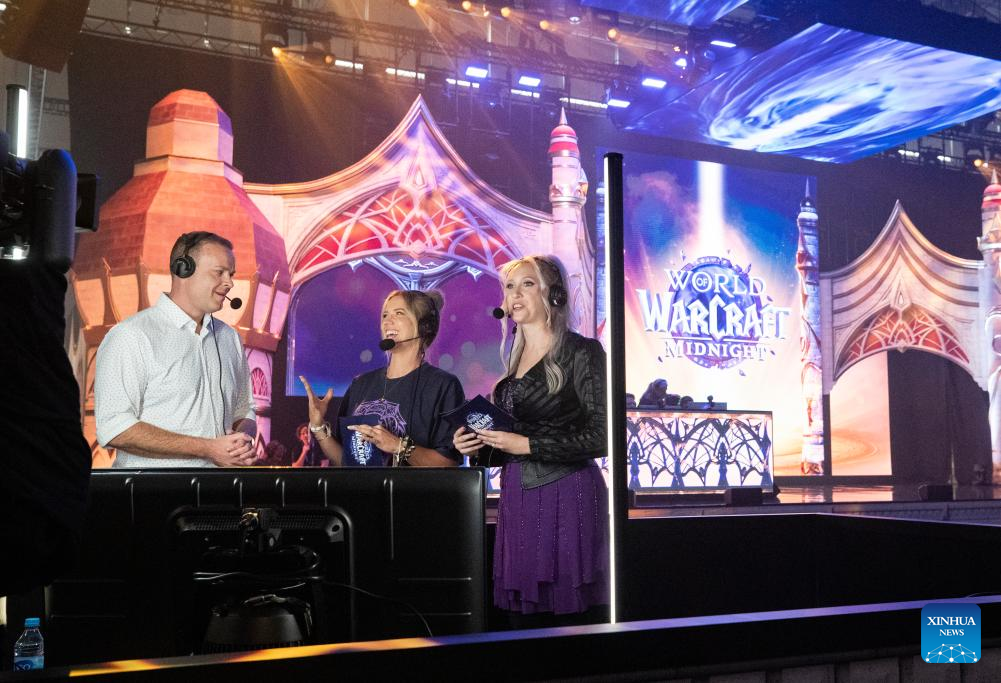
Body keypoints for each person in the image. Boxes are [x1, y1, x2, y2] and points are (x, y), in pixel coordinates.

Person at [453, 255, 609, 626]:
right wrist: (477, 446)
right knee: (523, 623)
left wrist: (527, 445)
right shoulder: (513, 361)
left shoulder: (582, 351)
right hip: (518, 497)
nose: (515, 294)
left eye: (527, 284)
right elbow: (506, 445)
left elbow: (602, 435)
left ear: (553, 294)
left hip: (567, 495)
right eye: (510, 287)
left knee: (568, 622)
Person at [94, 231, 257, 467]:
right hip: (153, 488)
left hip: (219, 486)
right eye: (219, 272)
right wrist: (208, 449)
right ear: (183, 269)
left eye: (230, 274)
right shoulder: (131, 335)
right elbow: (114, 428)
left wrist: (241, 441)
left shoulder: (229, 338)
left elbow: (245, 410)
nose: (229, 283)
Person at [300, 289, 464, 467]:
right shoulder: (361, 384)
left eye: (399, 313)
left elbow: (448, 463)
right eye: (385, 315)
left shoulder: (443, 385)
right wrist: (318, 425)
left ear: (424, 326)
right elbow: (347, 462)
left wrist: (398, 446)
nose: (387, 321)